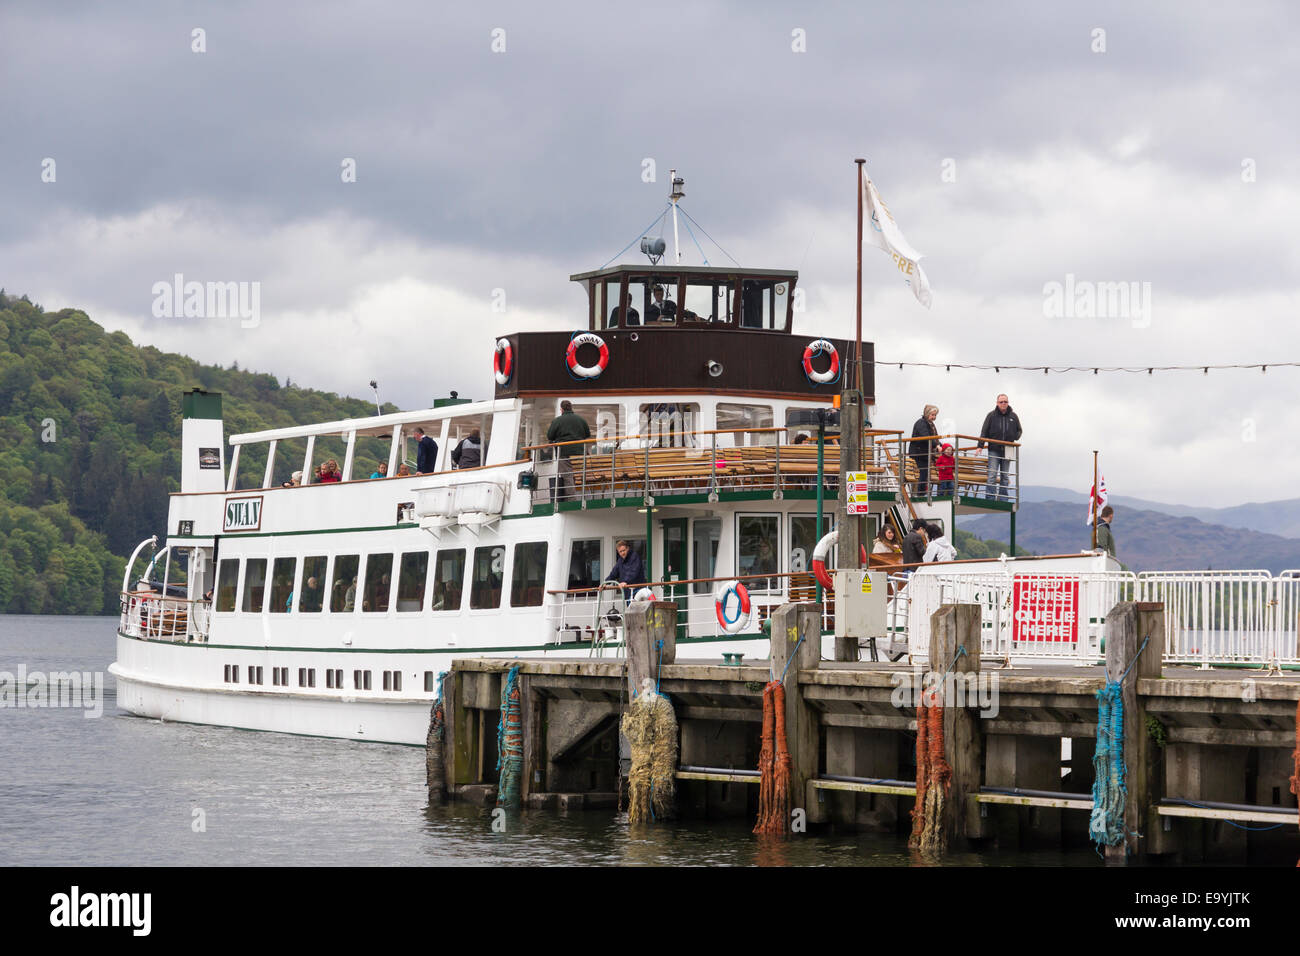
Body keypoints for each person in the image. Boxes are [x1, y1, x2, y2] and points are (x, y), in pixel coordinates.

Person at [979, 393, 1022, 501]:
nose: (1003, 404)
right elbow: (984, 431)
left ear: (1008, 403)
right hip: (994, 449)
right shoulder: (991, 415)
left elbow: (1019, 430)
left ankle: (1003, 498)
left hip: (1008, 449)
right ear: (997, 403)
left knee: (1005, 475)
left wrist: (1014, 437)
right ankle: (990, 498)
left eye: (1005, 402)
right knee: (992, 474)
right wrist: (980, 446)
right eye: (1001, 402)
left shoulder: (1013, 416)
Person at [546, 400, 591, 500]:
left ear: (561, 409)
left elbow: (550, 436)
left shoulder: (557, 421)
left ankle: (572, 500)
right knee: (578, 475)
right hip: (580, 453)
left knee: (567, 477)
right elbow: (587, 434)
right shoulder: (581, 420)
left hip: (564, 452)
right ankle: (584, 497)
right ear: (571, 408)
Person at [909, 404, 939, 496]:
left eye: (935, 415)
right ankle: (920, 494)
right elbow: (926, 437)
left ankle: (922, 493)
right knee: (924, 473)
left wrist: (943, 446)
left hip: (925, 453)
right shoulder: (921, 423)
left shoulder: (930, 424)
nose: (934, 417)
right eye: (932, 415)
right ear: (927, 414)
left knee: (925, 474)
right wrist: (937, 445)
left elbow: (935, 439)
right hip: (919, 453)